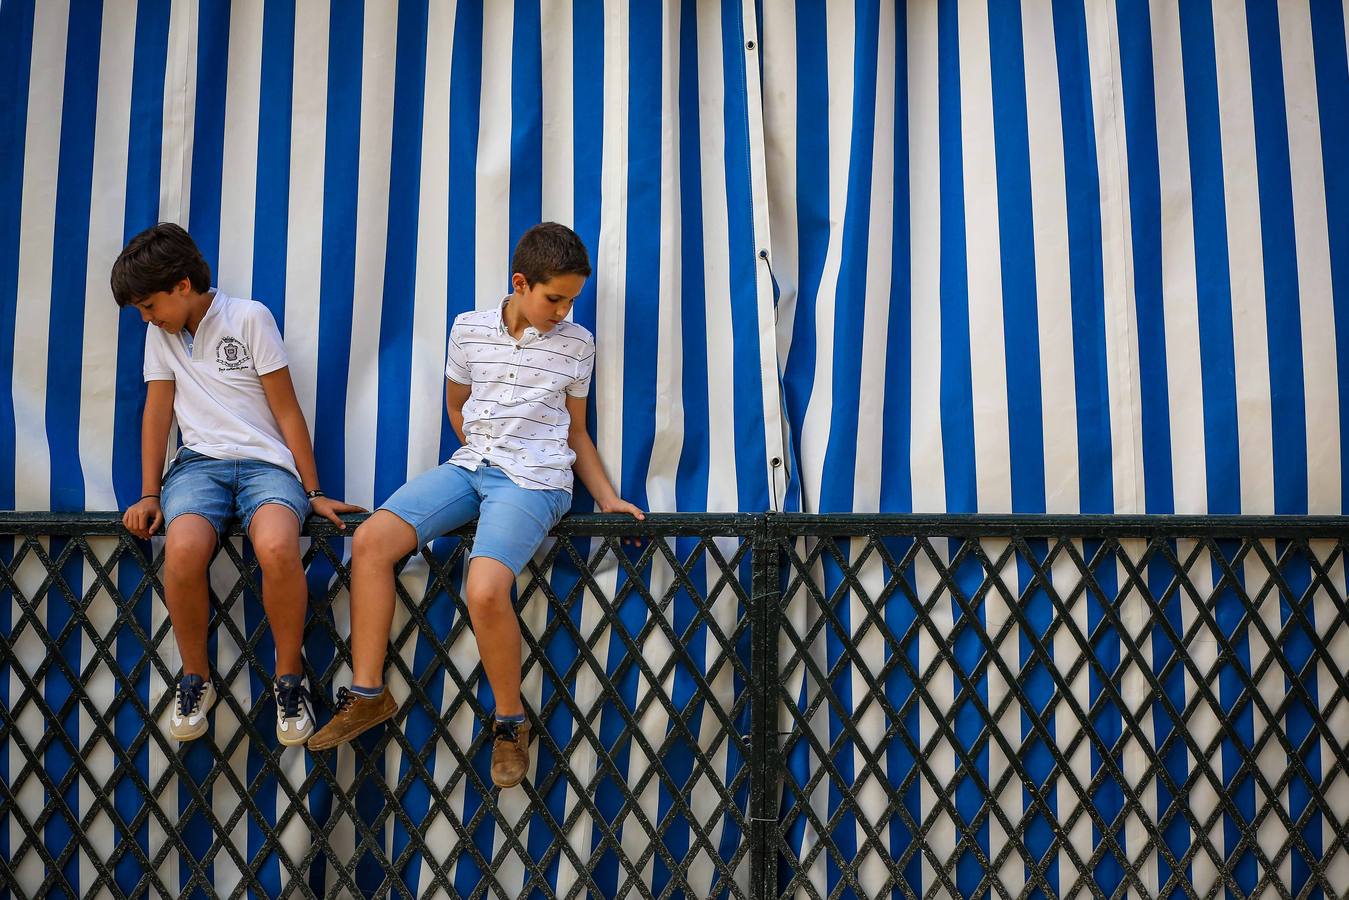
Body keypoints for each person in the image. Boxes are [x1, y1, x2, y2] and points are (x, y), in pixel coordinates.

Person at [308, 222, 643, 788]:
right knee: (370, 541)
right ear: (521, 282)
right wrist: (481, 453)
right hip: (472, 466)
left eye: (572, 300)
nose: (564, 311)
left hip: (535, 479)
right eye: (554, 298)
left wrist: (606, 496)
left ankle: (511, 723)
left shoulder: (577, 344)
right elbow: (457, 405)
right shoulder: (467, 329)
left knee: (484, 588)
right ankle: (367, 693)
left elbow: (577, 432)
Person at [115, 223, 364, 746]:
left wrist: (314, 491)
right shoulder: (159, 336)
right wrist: (148, 492)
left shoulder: (248, 317)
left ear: (182, 285)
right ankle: (195, 678)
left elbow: (286, 408)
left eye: (149, 304)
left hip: (265, 466)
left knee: (276, 546)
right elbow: (157, 413)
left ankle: (288, 680)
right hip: (198, 467)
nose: (146, 317)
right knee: (181, 551)